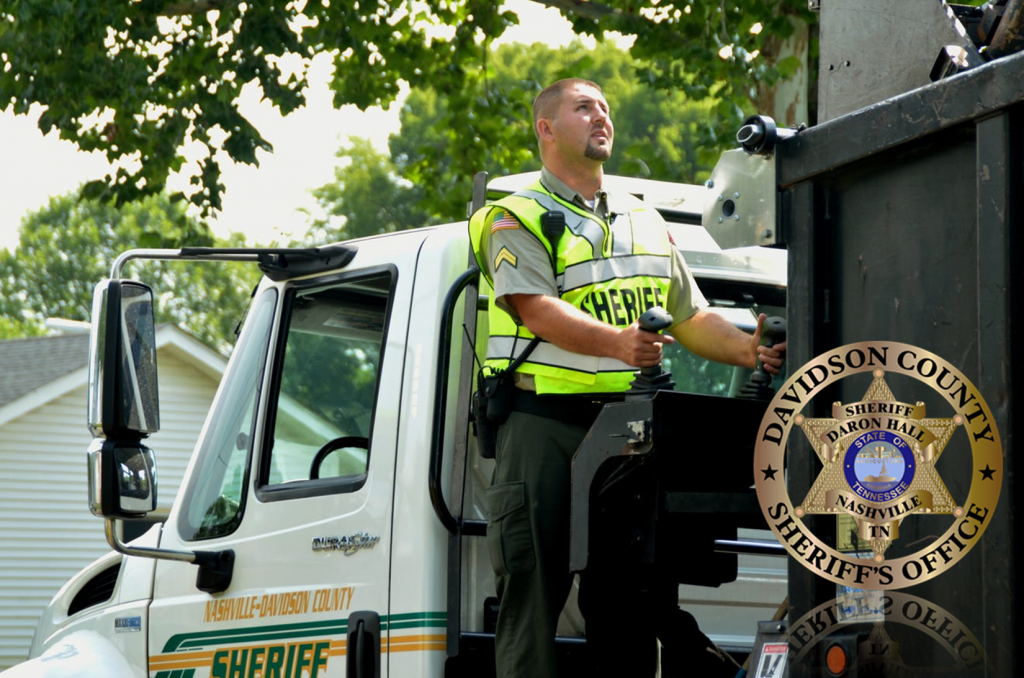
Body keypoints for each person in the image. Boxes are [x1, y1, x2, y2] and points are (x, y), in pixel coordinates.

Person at [468, 78, 786, 678]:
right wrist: (620, 344)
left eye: (605, 108)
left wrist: (748, 351)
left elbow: (689, 317)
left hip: (629, 436)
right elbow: (535, 307)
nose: (601, 117)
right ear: (546, 129)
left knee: (632, 597)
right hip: (544, 427)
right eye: (583, 107)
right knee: (532, 598)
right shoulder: (513, 216)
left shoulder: (644, 218)